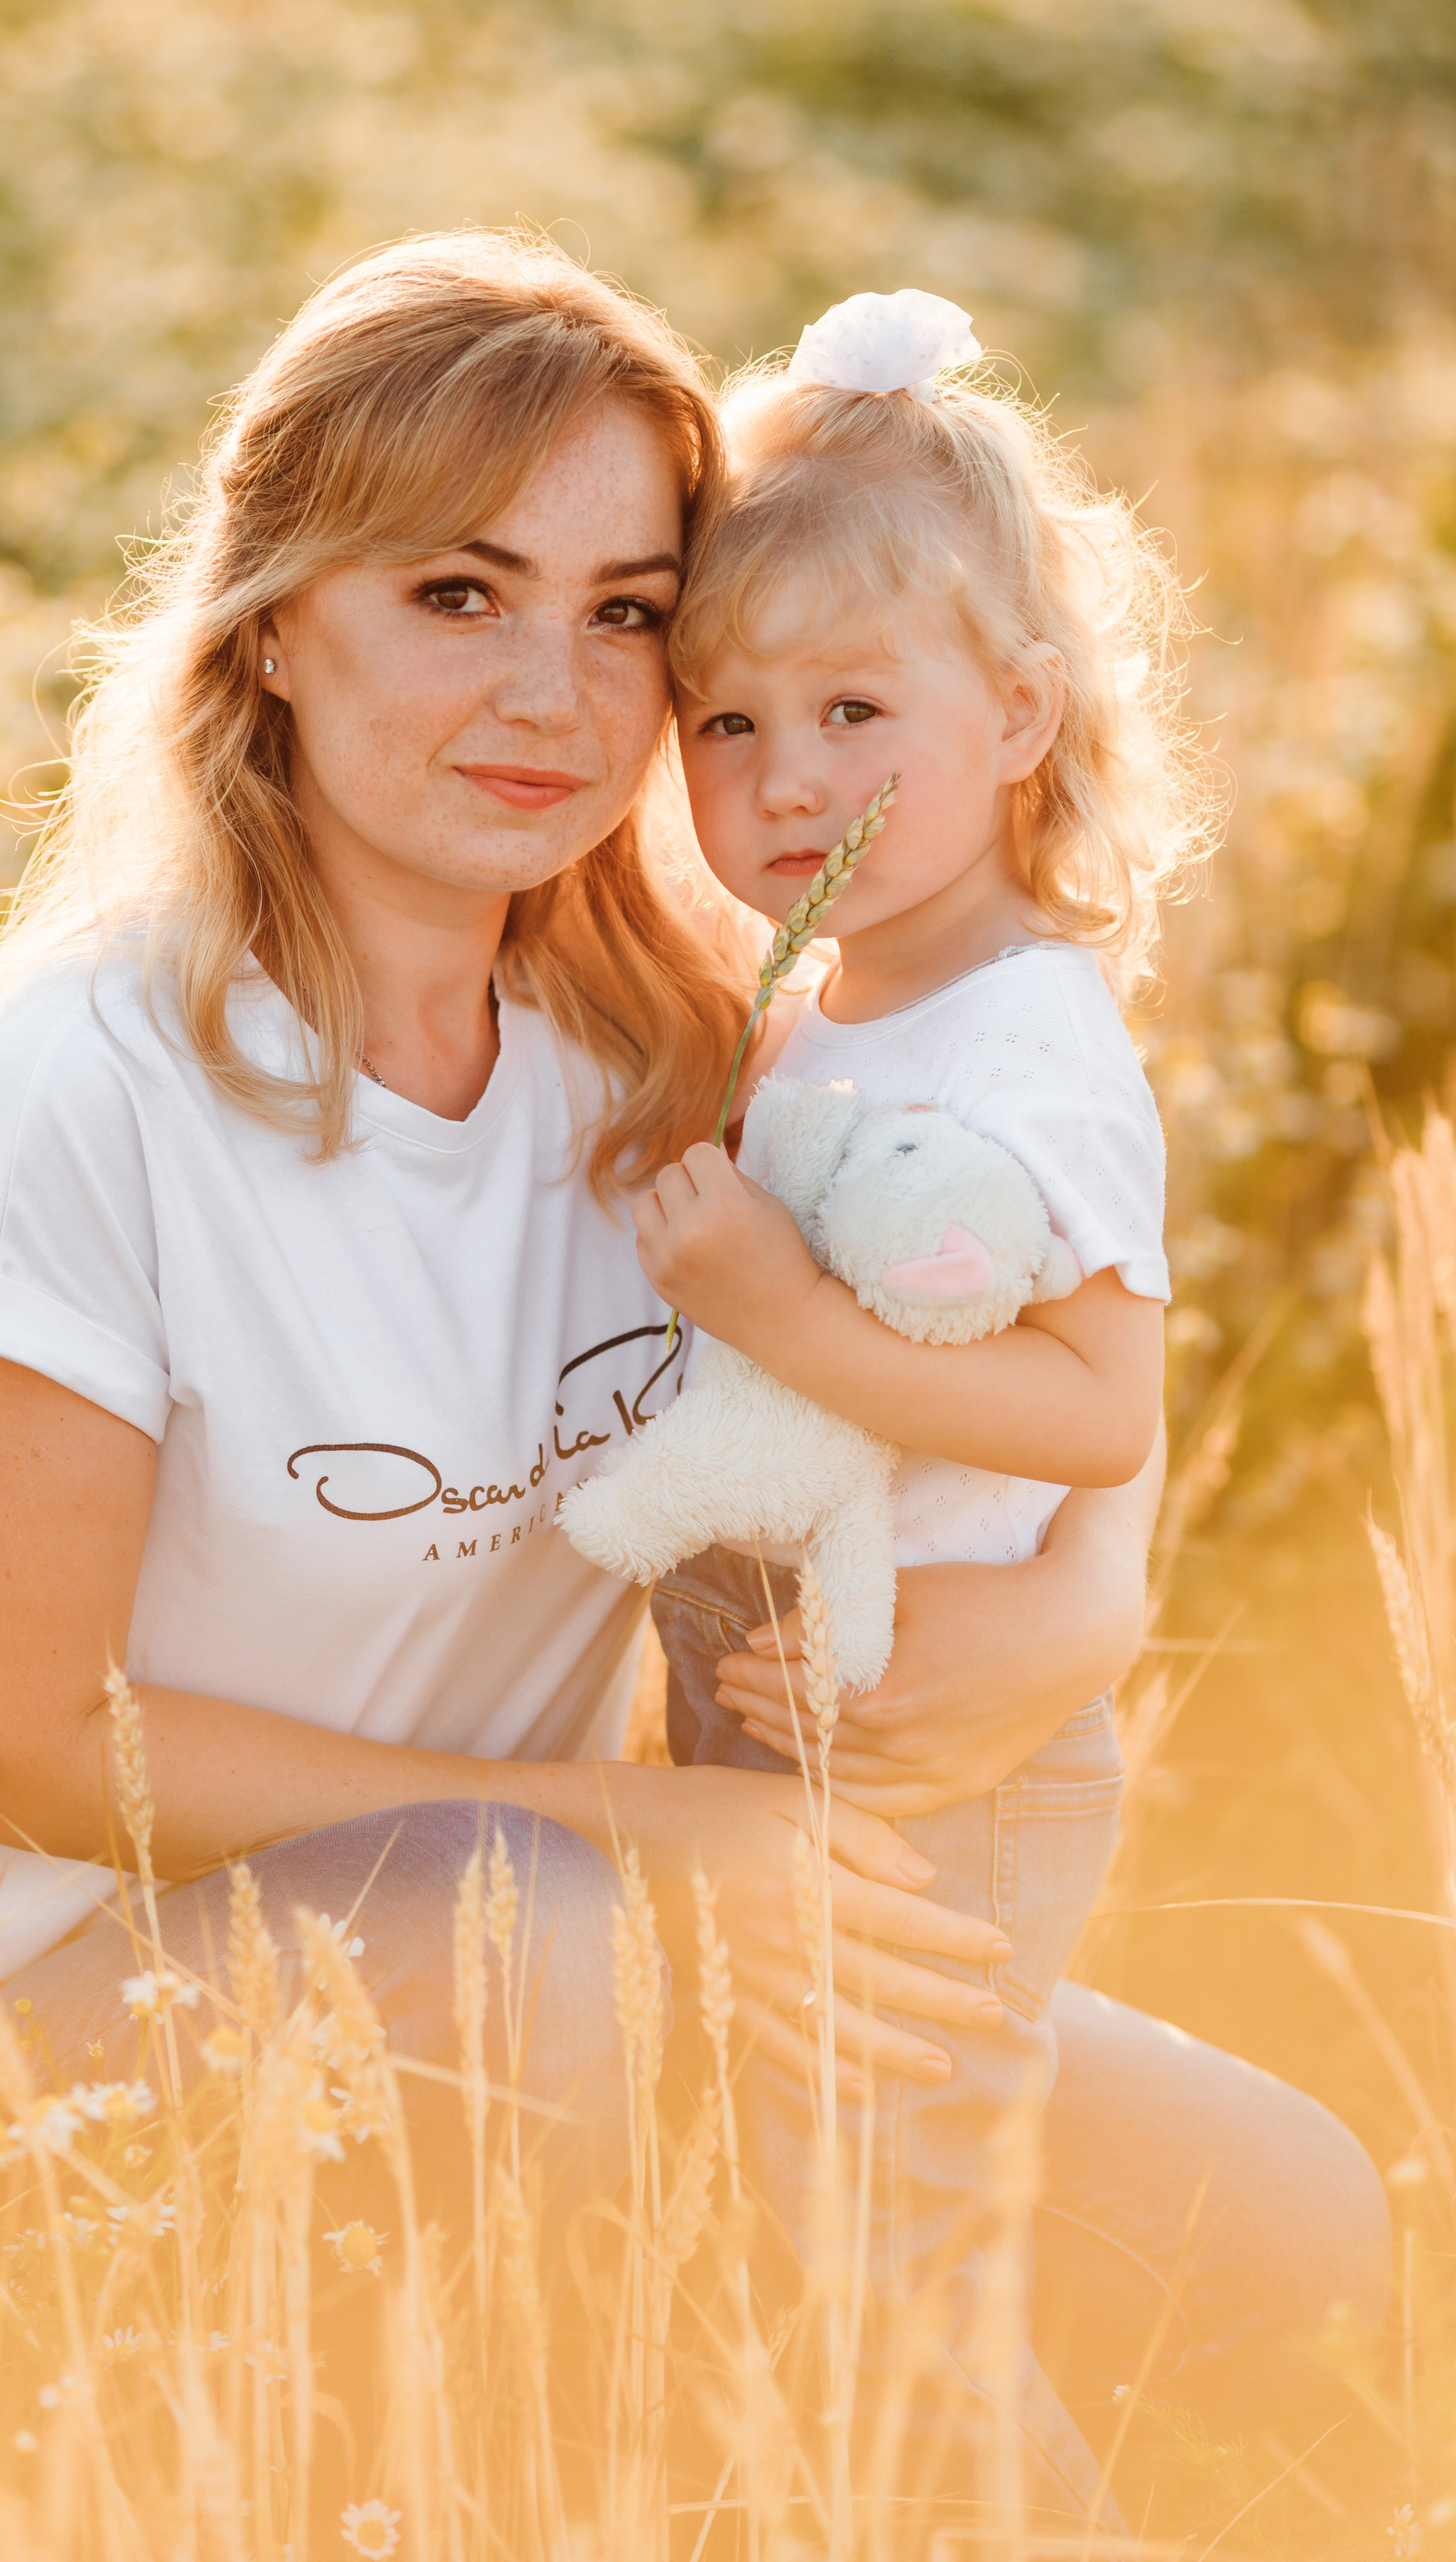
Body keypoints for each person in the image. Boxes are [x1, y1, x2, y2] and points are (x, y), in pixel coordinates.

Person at [0, 232, 1386, 2513]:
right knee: (539, 1956)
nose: (553, 688)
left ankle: (690, 2339)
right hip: (72, 2024)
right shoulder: (89, 1085)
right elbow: (39, 1746)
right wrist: (665, 1848)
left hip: (586, 1929)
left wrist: (1100, 1587)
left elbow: (1014, 1333)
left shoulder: (665, 1040)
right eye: (458, 593)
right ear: (272, 619)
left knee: (1280, 2235)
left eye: (628, 611)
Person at [623, 285, 1196, 2507]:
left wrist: (775, 1305)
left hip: (956, 1745)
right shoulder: (846, 996)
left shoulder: (1026, 1036)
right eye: (727, 723)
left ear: (1021, 713)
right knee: (810, 2245)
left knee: (893, 2267)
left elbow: (1092, 1415)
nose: (785, 784)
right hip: (809, 1710)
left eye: (856, 708)